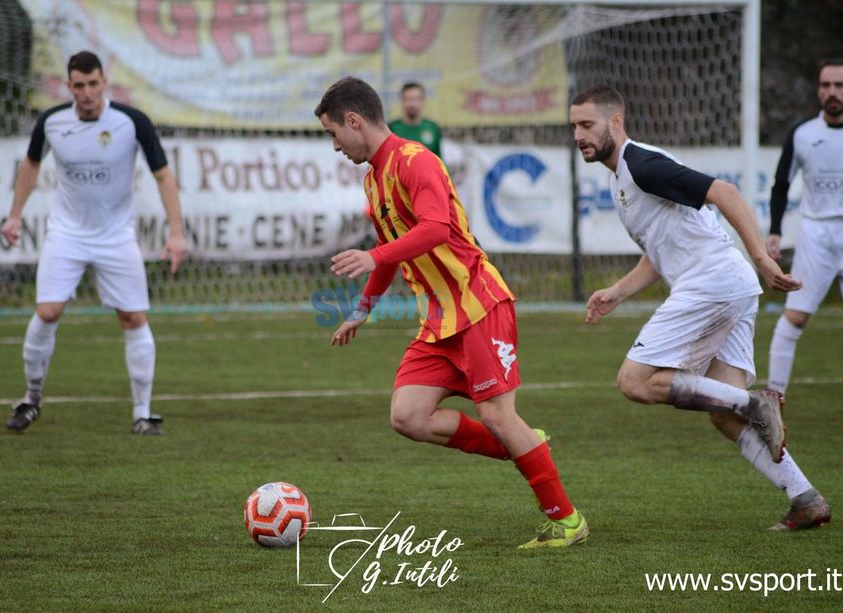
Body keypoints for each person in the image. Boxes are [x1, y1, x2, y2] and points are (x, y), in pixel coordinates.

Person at [315, 76, 588, 548]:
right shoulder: (373, 180)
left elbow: (437, 229)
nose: (335, 145)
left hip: (479, 304)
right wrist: (362, 308)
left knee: (498, 415)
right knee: (408, 416)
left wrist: (374, 257)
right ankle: (524, 445)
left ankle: (567, 520)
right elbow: (390, 249)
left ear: (353, 121)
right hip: (439, 320)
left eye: (333, 133)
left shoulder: (415, 160)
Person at [571, 85, 829, 530]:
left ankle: (756, 403)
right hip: (729, 285)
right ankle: (806, 499)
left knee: (635, 381)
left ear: (616, 121)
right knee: (723, 416)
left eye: (587, 125)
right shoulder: (621, 177)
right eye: (574, 126)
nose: (579, 135)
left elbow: (724, 191)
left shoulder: (642, 164)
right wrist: (617, 291)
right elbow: (659, 251)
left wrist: (763, 257)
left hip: (712, 282)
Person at [0, 51, 187, 435]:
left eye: (93, 84)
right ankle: (31, 398)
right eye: (79, 85)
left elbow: (164, 176)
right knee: (48, 311)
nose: (87, 92)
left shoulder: (132, 122)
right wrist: (15, 214)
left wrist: (177, 232)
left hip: (116, 235)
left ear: (105, 83)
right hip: (66, 233)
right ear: (69, 87)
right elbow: (31, 164)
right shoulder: (52, 122)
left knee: (133, 317)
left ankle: (143, 413)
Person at [766, 58, 843, 395]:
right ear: (818, 90)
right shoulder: (802, 133)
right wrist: (775, 229)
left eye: (839, 85)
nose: (832, 92)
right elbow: (781, 183)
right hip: (816, 234)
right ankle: (773, 398)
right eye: (826, 85)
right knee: (795, 318)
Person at [388, 82, 443, 159]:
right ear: (402, 101)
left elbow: (438, 159)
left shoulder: (432, 128)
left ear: (423, 101)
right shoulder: (392, 128)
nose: (412, 104)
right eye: (408, 99)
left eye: (416, 99)